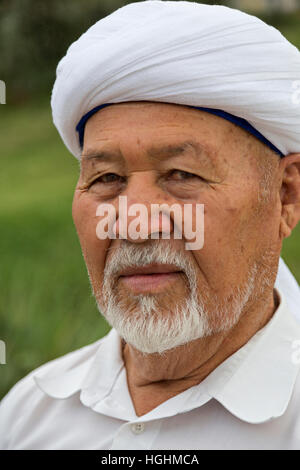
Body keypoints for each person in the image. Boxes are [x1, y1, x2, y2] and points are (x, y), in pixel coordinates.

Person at [1, 1, 300, 450]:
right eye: (107, 179)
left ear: (285, 195)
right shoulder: (29, 413)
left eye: (182, 175)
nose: (136, 224)